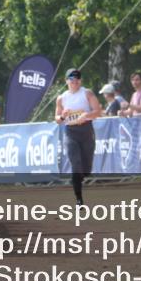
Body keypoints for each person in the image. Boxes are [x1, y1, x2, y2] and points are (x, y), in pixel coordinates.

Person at [55, 68, 102, 205]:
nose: (74, 82)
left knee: (86, 169)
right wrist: (63, 115)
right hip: (71, 132)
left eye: (76, 79)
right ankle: (79, 199)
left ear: (80, 80)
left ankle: (83, 175)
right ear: (66, 81)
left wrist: (86, 115)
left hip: (86, 131)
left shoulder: (87, 93)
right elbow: (57, 119)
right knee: (75, 164)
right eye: (71, 79)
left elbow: (97, 111)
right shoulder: (61, 98)